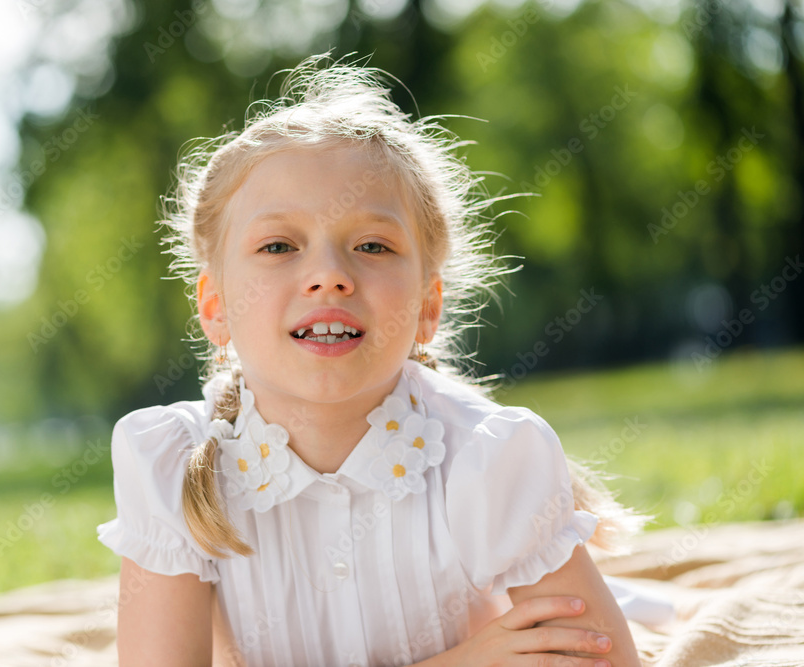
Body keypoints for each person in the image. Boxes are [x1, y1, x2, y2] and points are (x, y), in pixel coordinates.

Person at [97, 55, 658, 666]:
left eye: (372, 245)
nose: (329, 277)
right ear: (215, 305)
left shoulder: (487, 460)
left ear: (426, 306)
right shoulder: (171, 466)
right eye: (279, 245)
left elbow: (602, 660)